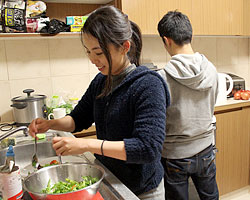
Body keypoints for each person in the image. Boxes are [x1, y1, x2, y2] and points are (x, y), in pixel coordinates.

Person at [28, 5, 170, 200]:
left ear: (124, 47)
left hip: (143, 191)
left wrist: (88, 145)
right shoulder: (101, 81)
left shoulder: (148, 85)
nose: (93, 60)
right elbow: (78, 119)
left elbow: (147, 149)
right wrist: (50, 124)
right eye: (88, 52)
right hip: (109, 178)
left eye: (99, 53)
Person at [157, 10, 219, 200]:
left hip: (175, 154)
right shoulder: (212, 70)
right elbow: (212, 104)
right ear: (190, 35)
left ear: (166, 40)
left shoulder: (162, 77)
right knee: (211, 197)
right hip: (206, 148)